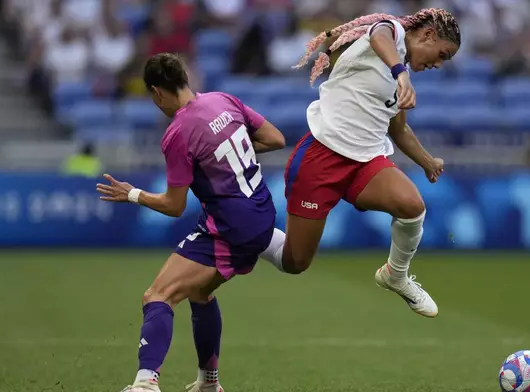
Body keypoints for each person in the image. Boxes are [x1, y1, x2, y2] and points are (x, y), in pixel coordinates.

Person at [96, 53, 286, 392]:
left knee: (158, 295)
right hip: (259, 210)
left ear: (156, 92)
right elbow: (275, 139)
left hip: (232, 229)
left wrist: (133, 194)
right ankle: (208, 383)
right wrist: (224, 158)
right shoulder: (223, 100)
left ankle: (145, 384)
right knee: (200, 293)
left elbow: (173, 204)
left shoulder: (178, 131)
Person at [259, 8, 461, 318]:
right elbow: (380, 33)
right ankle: (243, 228)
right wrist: (400, 73)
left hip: (364, 164)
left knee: (412, 207)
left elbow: (398, 129)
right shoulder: (390, 32)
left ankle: (396, 275)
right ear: (428, 35)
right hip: (321, 158)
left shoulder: (399, 69)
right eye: (442, 54)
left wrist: (426, 162)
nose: (438, 64)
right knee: (295, 262)